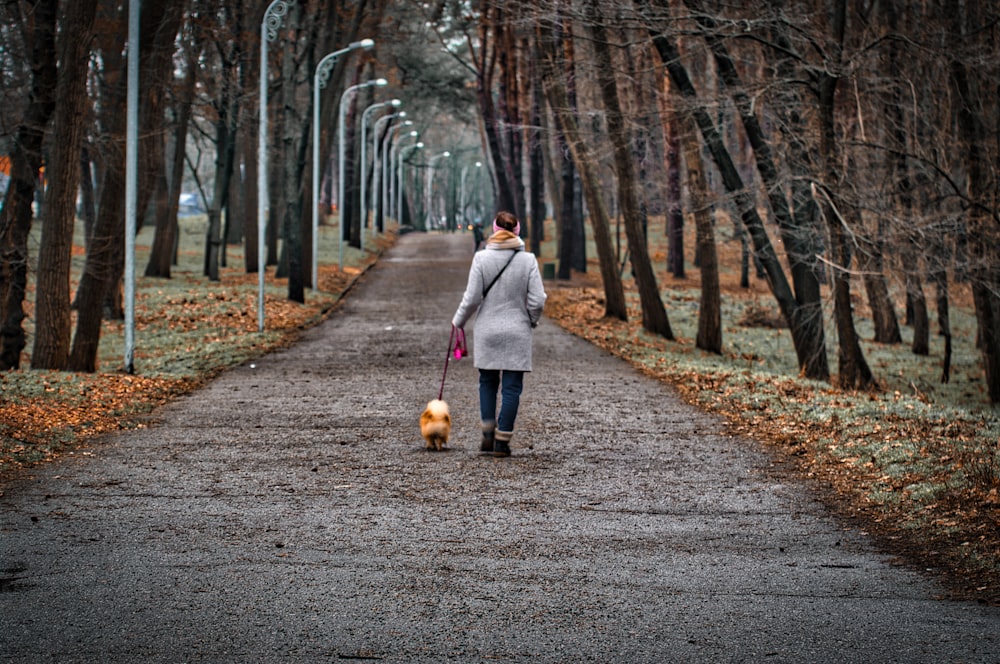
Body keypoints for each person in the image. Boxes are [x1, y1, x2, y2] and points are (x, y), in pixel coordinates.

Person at [452, 211, 547, 457]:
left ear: (494, 230)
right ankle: (502, 440)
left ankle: (487, 430)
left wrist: (458, 321)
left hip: (488, 329)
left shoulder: (481, 258)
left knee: (487, 382)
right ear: (517, 232)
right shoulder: (528, 260)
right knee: (512, 388)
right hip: (518, 329)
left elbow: (472, 298)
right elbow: (537, 300)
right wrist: (532, 321)